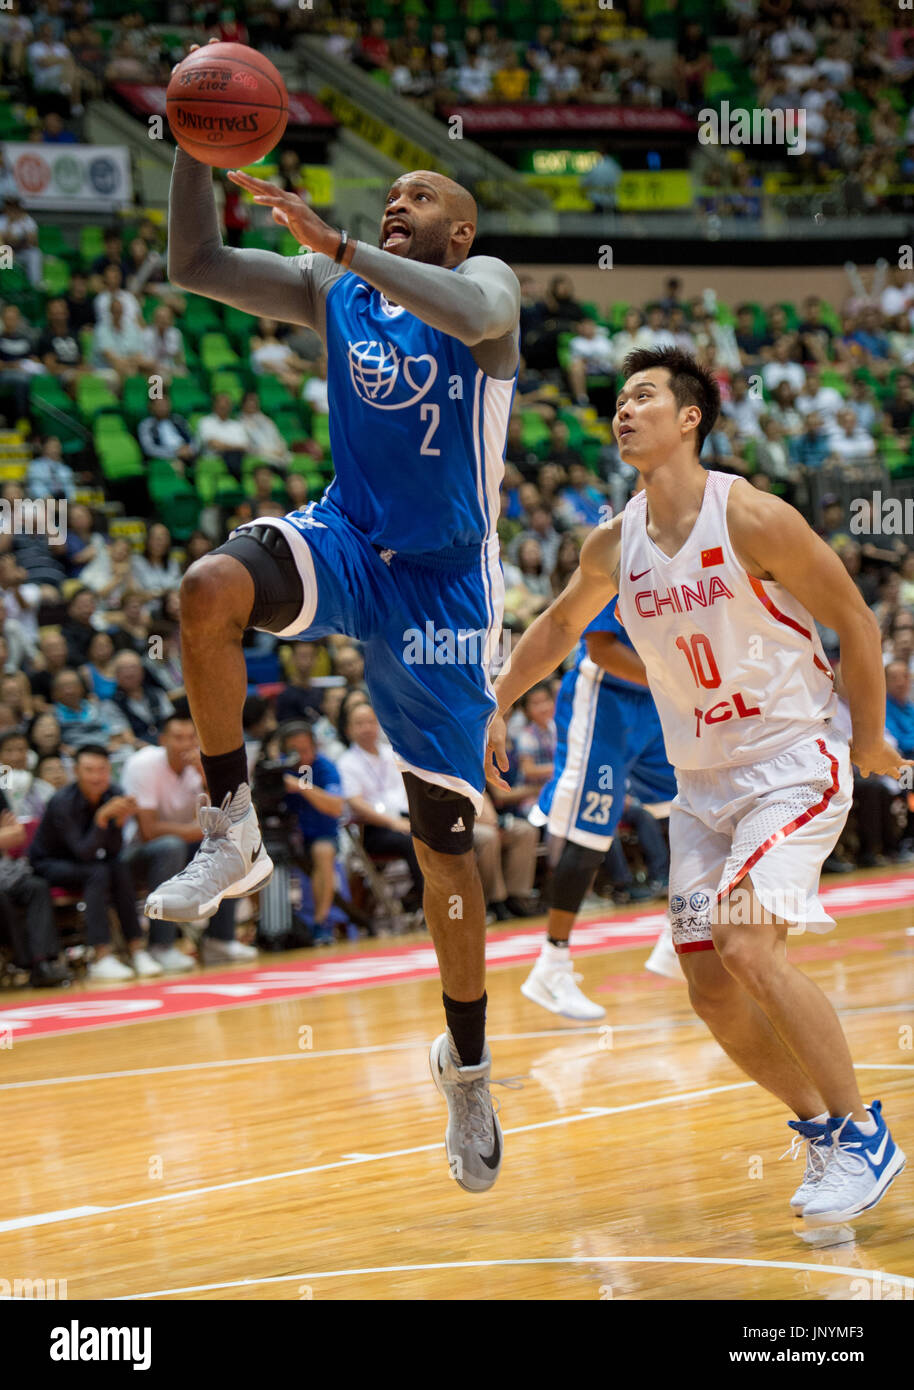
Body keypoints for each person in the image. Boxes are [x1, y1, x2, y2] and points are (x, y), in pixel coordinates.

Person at [147, 43, 519, 1192]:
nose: (395, 202)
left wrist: (345, 245)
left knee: (443, 852)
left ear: (456, 232)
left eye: (419, 197)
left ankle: (466, 1070)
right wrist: (193, 144)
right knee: (205, 589)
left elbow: (474, 307)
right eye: (387, 196)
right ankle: (233, 827)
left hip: (446, 590)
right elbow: (194, 259)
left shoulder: (485, 289)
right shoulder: (332, 290)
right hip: (349, 542)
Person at [489, 345, 907, 1228]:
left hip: (793, 757)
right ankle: (826, 1130)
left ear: (691, 419)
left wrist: (869, 737)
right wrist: (496, 700)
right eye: (618, 400)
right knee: (711, 984)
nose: (622, 410)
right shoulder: (613, 540)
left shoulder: (752, 515)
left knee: (747, 942)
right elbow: (564, 622)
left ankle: (867, 1134)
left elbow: (855, 623)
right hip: (702, 785)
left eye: (643, 396)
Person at [523, 596, 680, 1020]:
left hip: (658, 701)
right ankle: (551, 966)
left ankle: (681, 934)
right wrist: (674, 679)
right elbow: (601, 647)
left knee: (688, 810)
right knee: (590, 835)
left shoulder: (694, 549)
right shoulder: (620, 541)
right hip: (604, 700)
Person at [123, 711, 251, 969]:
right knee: (172, 847)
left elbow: (225, 816)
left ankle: (219, 939)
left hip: (184, 844)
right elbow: (148, 831)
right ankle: (161, 946)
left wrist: (205, 777)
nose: (185, 744)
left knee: (232, 843)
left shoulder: (202, 764)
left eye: (191, 737)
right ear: (163, 740)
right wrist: (201, 831)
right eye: (178, 737)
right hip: (135, 852)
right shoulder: (143, 765)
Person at [29, 744, 161, 982]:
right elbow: (83, 852)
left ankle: (137, 949)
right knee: (97, 872)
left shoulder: (114, 793)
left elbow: (113, 850)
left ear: (109, 770)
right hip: (48, 865)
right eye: (89, 770)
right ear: (76, 772)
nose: (96, 776)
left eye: (101, 770)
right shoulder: (61, 802)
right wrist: (102, 818)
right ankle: (101, 956)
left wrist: (118, 822)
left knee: (119, 868)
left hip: (87, 862)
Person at [278, 719, 345, 945]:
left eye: (304, 749)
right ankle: (268, 927)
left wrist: (301, 786)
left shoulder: (325, 768)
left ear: (314, 747)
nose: (299, 755)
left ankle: (320, 923)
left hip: (320, 835)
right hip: (284, 837)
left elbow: (336, 807)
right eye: (293, 750)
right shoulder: (277, 768)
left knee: (323, 851)